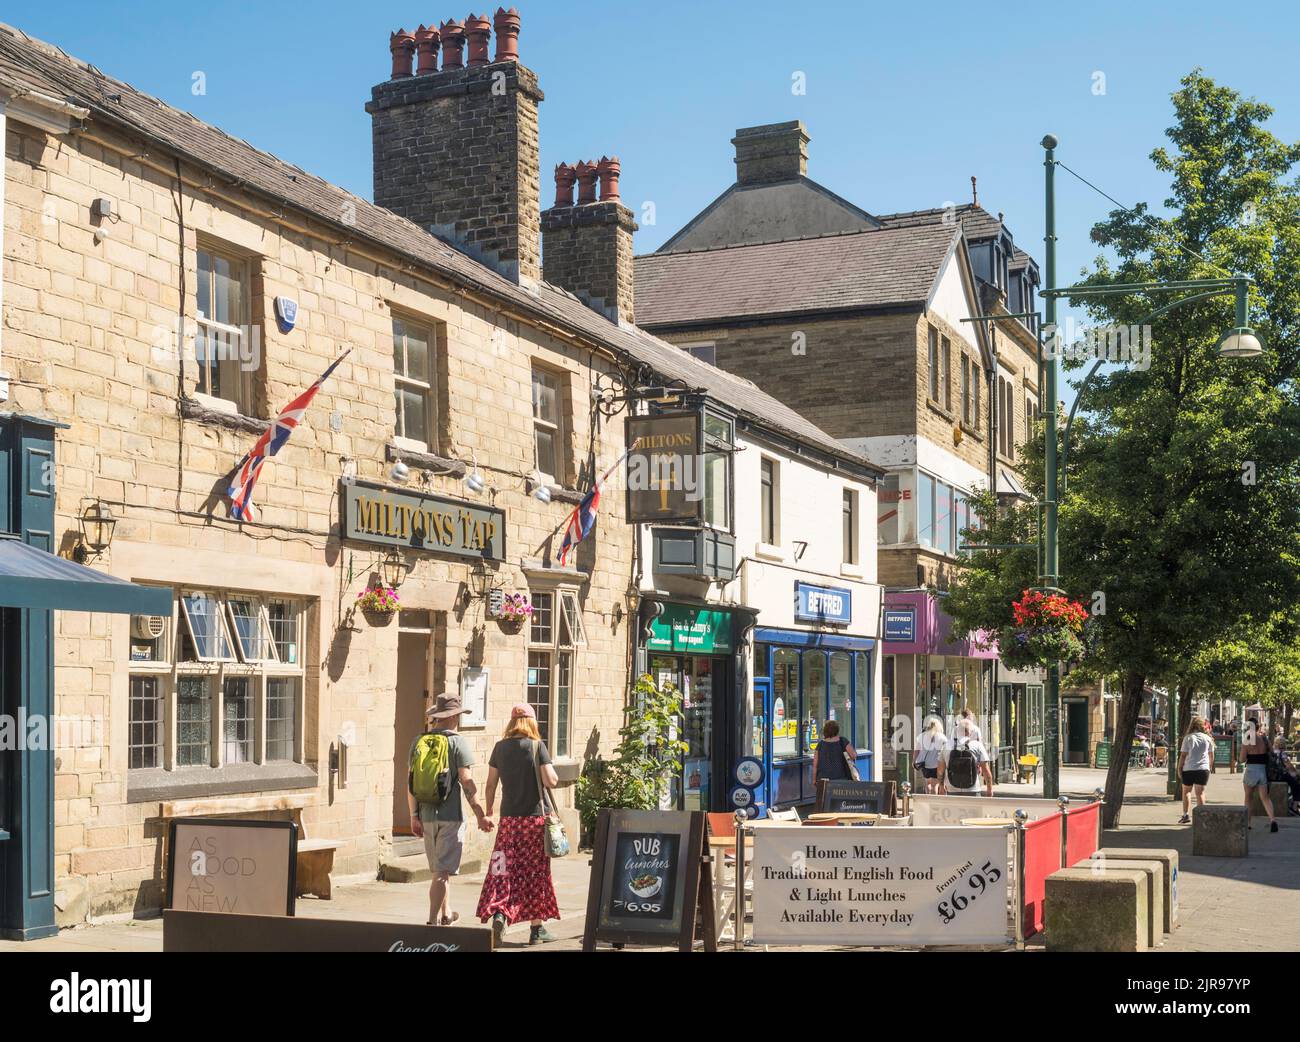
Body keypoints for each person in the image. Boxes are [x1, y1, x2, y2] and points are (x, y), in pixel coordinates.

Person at [477, 704, 561, 945]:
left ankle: (501, 912)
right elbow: (551, 780)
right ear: (532, 722)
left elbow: (491, 783)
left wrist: (490, 809)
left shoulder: (499, 748)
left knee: (502, 869)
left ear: (512, 723)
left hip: (509, 822)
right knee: (535, 872)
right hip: (534, 822)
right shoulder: (537, 746)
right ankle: (537, 929)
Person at [407, 694, 489, 927]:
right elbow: (466, 781)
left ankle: (446, 914)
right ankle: (432, 922)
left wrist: (414, 816)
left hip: (425, 815)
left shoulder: (418, 741)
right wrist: (480, 814)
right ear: (453, 716)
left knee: (439, 871)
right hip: (451, 817)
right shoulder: (457, 742)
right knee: (442, 872)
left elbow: (410, 783)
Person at [939, 716, 993, 797]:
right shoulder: (977, 746)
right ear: (970, 732)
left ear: (957, 731)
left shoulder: (946, 746)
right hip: (973, 789)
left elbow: (940, 770)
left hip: (952, 788)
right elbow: (986, 771)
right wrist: (989, 789)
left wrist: (941, 786)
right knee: (974, 810)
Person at [1241, 716, 1278, 832]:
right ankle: (1272, 820)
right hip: (1262, 771)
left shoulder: (1247, 740)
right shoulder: (1264, 738)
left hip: (1251, 770)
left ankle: (1248, 823)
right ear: (1257, 727)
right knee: (1265, 798)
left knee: (1248, 798)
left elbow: (1242, 759)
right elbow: (1272, 752)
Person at [1177, 715, 1214, 824]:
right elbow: (1211, 756)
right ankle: (1202, 817)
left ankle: (1185, 815)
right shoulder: (1207, 738)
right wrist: (1210, 767)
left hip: (1188, 768)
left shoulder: (1188, 738)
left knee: (1186, 792)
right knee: (1200, 793)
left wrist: (1179, 768)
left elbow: (1183, 755)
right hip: (1203, 769)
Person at [913, 717, 947, 794]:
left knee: (928, 784)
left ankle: (927, 800)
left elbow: (916, 750)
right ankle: (933, 802)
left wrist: (914, 761)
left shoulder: (921, 736)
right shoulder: (942, 737)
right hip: (937, 765)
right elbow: (945, 751)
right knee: (935, 785)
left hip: (924, 764)